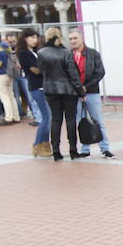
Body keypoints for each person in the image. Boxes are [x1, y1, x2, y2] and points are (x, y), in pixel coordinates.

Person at [38, 28, 86, 161]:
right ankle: (73, 150)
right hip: (68, 90)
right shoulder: (66, 53)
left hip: (51, 90)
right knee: (71, 120)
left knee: (56, 119)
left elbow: (41, 70)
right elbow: (74, 75)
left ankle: (56, 151)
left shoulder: (41, 53)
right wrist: (81, 92)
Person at [68, 30, 114, 159]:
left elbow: (100, 72)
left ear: (81, 38)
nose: (72, 41)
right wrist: (77, 89)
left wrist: (85, 87)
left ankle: (105, 149)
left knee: (98, 120)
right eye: (70, 39)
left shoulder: (93, 54)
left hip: (91, 92)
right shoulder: (67, 55)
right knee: (80, 122)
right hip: (75, 94)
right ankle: (85, 149)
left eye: (75, 38)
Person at [17, 28, 52, 157]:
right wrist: (47, 69)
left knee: (48, 117)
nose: (35, 40)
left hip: (44, 86)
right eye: (32, 37)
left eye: (36, 37)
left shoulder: (36, 51)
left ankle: (44, 144)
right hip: (36, 87)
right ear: (25, 38)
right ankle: (38, 144)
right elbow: (35, 69)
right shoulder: (23, 53)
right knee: (46, 117)